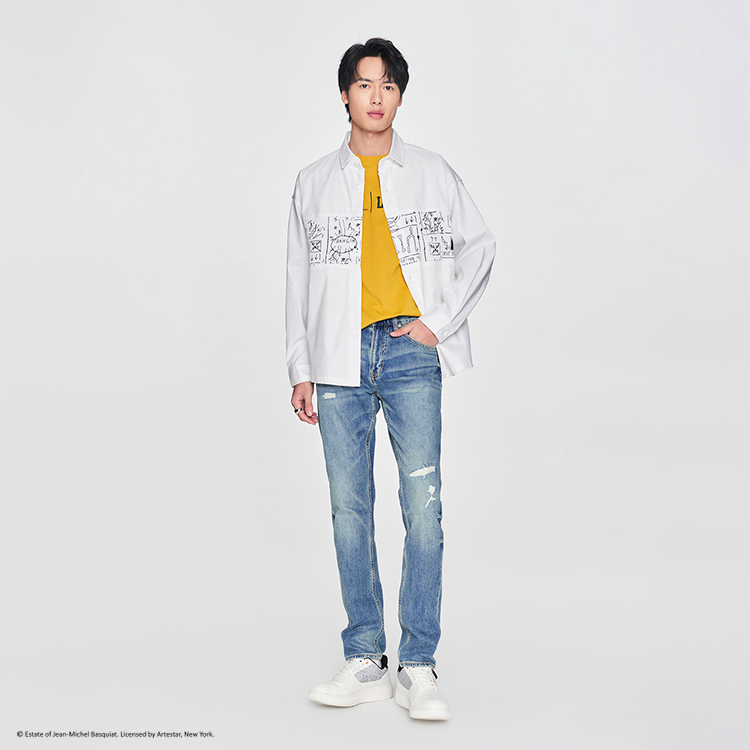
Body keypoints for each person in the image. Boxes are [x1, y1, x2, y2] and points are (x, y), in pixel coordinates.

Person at [285, 37, 495, 721]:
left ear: (400, 96)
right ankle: (366, 658)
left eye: (388, 86)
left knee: (423, 509)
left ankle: (418, 664)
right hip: (337, 357)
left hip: (409, 352)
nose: (376, 97)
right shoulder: (314, 182)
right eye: (364, 84)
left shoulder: (431, 172)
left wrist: (437, 322)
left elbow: (480, 246)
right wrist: (301, 368)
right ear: (345, 94)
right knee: (350, 511)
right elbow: (297, 280)